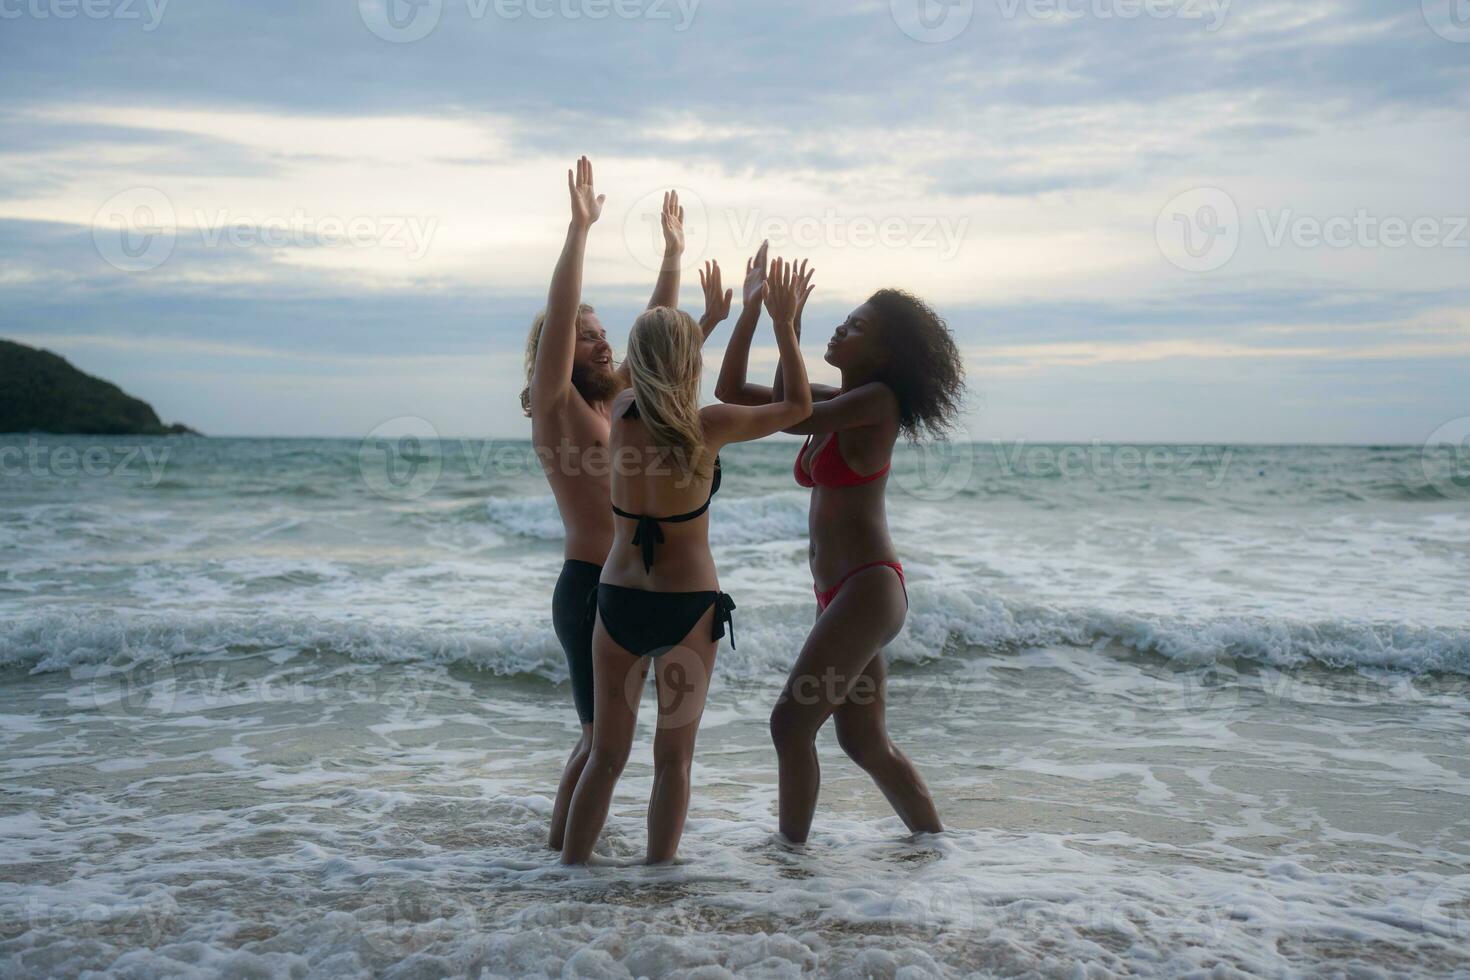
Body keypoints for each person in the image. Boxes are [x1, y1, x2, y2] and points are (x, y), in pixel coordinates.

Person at [558, 246, 815, 865]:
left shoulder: (619, 413)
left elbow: (653, 368)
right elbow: (800, 409)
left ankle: (566, 878)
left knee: (606, 757)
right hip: (687, 607)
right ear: (689, 362)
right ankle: (657, 879)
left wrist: (710, 320)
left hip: (616, 601)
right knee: (672, 760)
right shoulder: (713, 424)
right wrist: (779, 323)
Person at [714, 249, 965, 844]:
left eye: (855, 328)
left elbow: (793, 419)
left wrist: (786, 327)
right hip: (843, 594)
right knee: (863, 742)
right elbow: (736, 391)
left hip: (868, 589)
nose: (841, 329)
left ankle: (790, 860)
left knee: (789, 724)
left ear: (882, 356)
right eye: (844, 320)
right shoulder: (834, 399)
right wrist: (764, 315)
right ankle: (937, 847)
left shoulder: (878, 403)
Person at [525, 158, 720, 851]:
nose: (601, 339)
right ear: (557, 352)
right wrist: (578, 232)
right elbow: (561, 333)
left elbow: (656, 334)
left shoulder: (621, 404)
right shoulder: (558, 408)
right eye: (585, 334)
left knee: (601, 748)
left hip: (624, 588)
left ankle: (559, 865)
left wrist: (672, 254)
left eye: (601, 330)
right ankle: (560, 869)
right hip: (588, 589)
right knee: (596, 746)